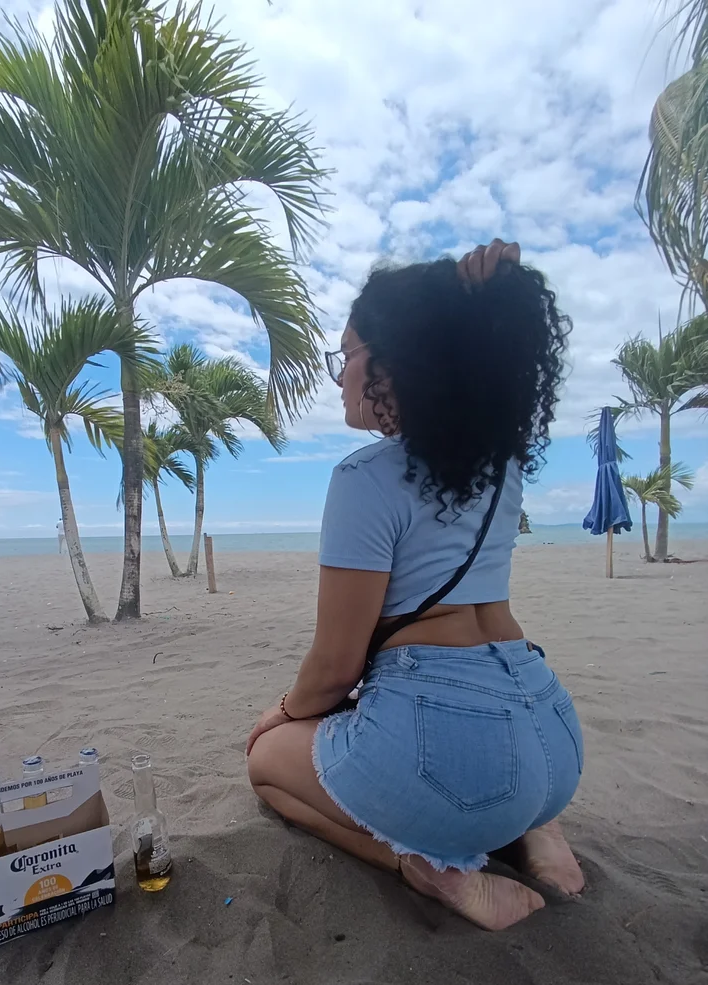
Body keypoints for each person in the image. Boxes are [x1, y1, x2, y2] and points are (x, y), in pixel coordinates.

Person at [246, 240, 585, 931]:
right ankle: (539, 835)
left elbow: (335, 668)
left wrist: (280, 714)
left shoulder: (363, 478)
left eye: (346, 354)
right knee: (489, 772)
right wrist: (482, 300)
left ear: (394, 362)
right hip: (554, 736)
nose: (339, 375)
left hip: (455, 746)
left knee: (265, 764)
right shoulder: (502, 468)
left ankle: (422, 866)